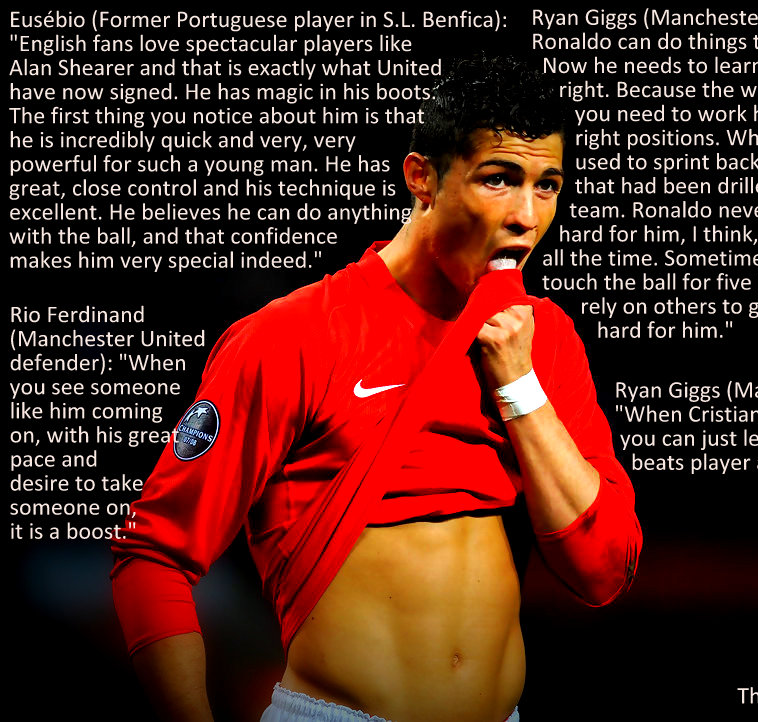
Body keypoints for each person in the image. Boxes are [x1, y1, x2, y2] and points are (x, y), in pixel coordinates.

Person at [112, 55, 642, 722]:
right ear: (421, 178)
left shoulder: (544, 339)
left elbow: (603, 572)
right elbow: (153, 554)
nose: (525, 216)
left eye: (547, 186)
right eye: (499, 180)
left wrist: (520, 388)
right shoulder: (293, 336)